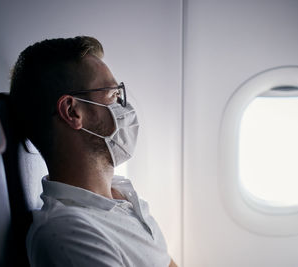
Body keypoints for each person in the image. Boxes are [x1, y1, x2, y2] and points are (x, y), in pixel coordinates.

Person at [10, 36, 177, 267]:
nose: (124, 108)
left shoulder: (124, 195)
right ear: (72, 112)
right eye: (113, 95)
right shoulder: (68, 232)